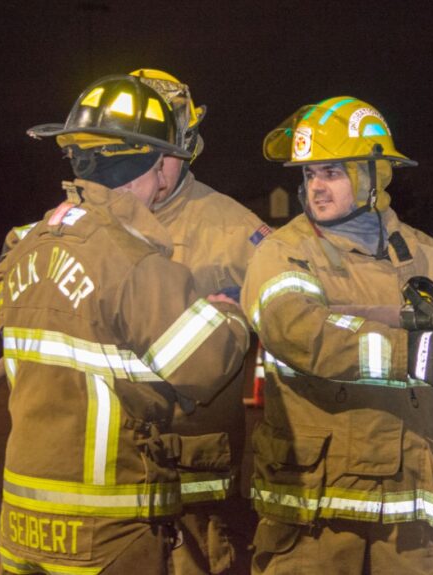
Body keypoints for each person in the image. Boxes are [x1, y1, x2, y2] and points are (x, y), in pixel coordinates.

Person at [0, 74, 250, 575]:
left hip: (22, 524)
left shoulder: (29, 244)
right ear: (148, 169)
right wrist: (227, 313)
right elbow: (207, 364)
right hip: (104, 534)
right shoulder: (132, 262)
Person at [241, 96, 433, 574]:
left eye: (331, 172)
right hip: (314, 521)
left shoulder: (429, 260)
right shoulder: (284, 253)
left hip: (414, 527)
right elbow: (298, 331)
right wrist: (412, 353)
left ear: (374, 175)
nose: (315, 187)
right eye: (308, 174)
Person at [128, 68, 270, 575]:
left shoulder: (235, 230)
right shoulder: (88, 223)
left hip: (197, 481)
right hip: (111, 477)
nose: (150, 164)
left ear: (187, 146)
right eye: (137, 147)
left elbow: (298, 323)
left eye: (162, 150)